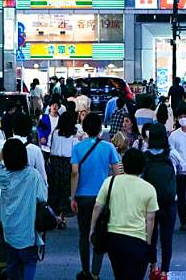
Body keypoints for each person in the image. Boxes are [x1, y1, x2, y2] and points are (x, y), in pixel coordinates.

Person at [90, 149, 158, 280]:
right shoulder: (149, 188)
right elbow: (150, 219)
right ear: (143, 167)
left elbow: (97, 207)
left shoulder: (110, 182)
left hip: (114, 238)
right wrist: (148, 243)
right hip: (138, 238)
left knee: (119, 273)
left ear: (123, 164)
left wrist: (92, 229)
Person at [0, 113, 48, 279]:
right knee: (29, 261)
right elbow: (43, 197)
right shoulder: (32, 174)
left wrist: (4, 150)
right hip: (28, 227)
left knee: (12, 262)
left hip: (9, 225)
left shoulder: (3, 175)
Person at [70, 113, 121, 280]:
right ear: (100, 128)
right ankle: (95, 272)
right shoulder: (108, 147)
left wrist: (72, 197)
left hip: (83, 197)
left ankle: (84, 270)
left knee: (83, 234)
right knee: (99, 234)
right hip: (103, 196)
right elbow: (116, 172)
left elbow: (75, 173)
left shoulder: (77, 148)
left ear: (84, 128)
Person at [143, 124, 186, 280]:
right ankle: (164, 272)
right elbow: (185, 169)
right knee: (166, 237)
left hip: (149, 203)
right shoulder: (171, 154)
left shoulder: (145, 154)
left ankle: (153, 267)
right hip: (169, 202)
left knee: (151, 236)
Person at [47, 111, 79, 227]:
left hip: (55, 163)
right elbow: (75, 151)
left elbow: (50, 147)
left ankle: (55, 215)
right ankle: (62, 216)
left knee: (54, 189)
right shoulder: (74, 135)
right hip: (67, 163)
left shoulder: (55, 132)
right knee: (65, 191)